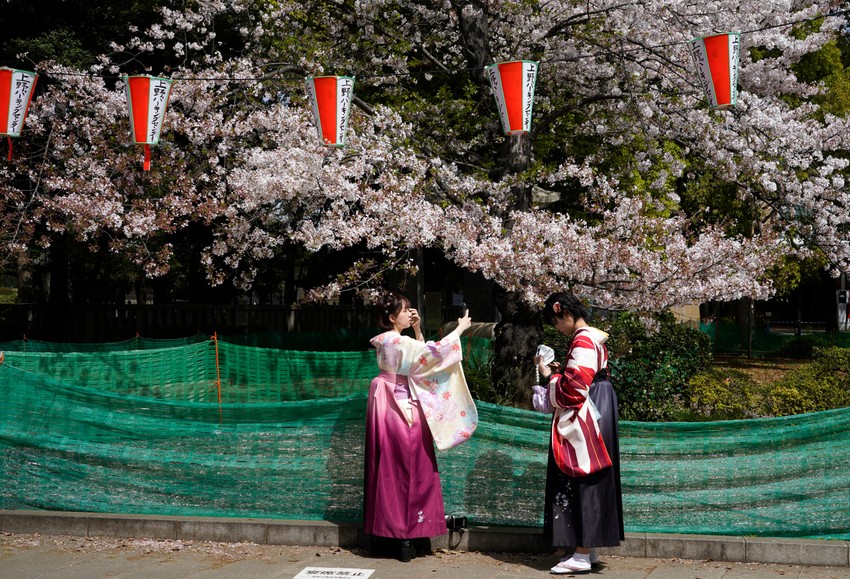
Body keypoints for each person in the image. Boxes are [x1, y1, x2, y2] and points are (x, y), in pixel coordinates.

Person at [364, 292, 477, 562]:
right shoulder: (395, 340)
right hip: (401, 402)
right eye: (404, 311)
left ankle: (385, 529)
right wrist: (459, 329)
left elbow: (418, 360)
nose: (409, 313)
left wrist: (416, 328)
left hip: (385, 398)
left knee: (386, 464)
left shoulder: (389, 340)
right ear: (392, 317)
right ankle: (407, 532)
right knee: (411, 462)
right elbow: (431, 355)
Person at [533, 292, 624, 574]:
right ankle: (588, 548)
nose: (558, 328)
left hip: (588, 411)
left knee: (582, 474)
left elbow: (573, 390)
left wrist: (550, 376)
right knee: (592, 477)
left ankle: (582, 554)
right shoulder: (590, 338)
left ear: (566, 315)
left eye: (557, 322)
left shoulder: (583, 340)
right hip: (599, 404)